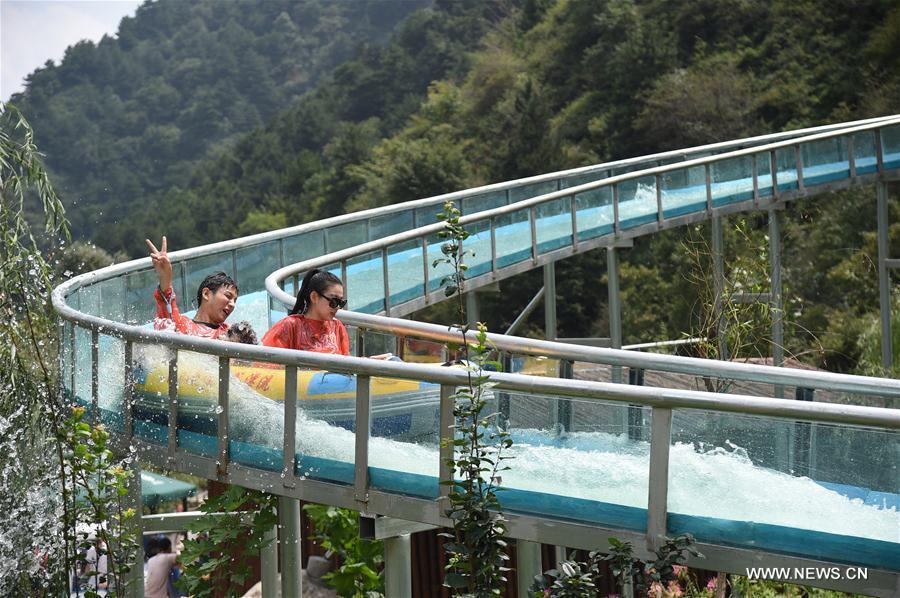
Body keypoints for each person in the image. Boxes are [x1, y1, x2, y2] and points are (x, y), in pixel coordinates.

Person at [146, 236, 238, 339]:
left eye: (235, 300)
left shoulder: (231, 333)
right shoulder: (183, 326)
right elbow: (166, 308)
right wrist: (165, 276)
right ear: (206, 294)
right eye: (228, 296)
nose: (233, 304)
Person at [262, 269, 351, 355]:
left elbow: (346, 363)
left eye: (341, 302)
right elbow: (268, 363)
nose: (338, 307)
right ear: (314, 297)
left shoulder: (337, 327)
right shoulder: (289, 326)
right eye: (334, 301)